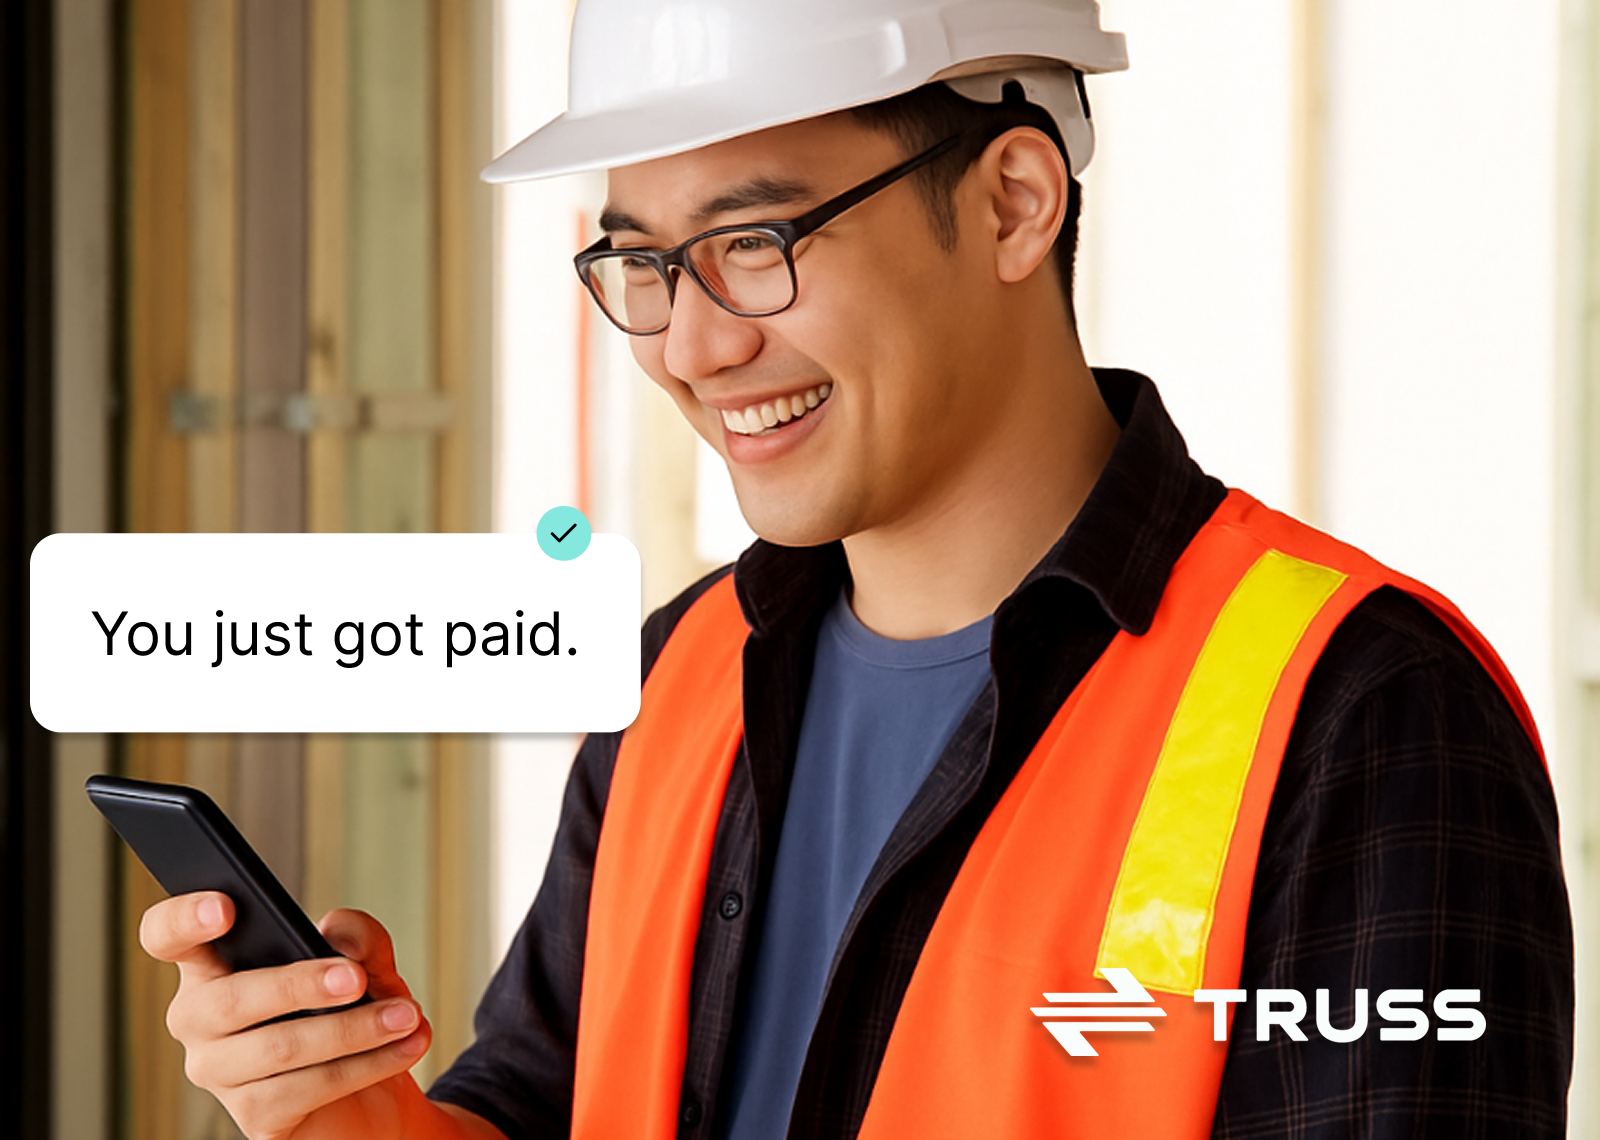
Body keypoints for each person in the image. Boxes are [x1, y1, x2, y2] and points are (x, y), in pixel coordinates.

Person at [138, 1, 1573, 1137]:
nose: (692, 347)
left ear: (1016, 203)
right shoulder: (681, 676)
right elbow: (539, 1104)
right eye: (642, 265)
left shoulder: (1360, 715)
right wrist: (345, 1109)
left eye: (756, 245)